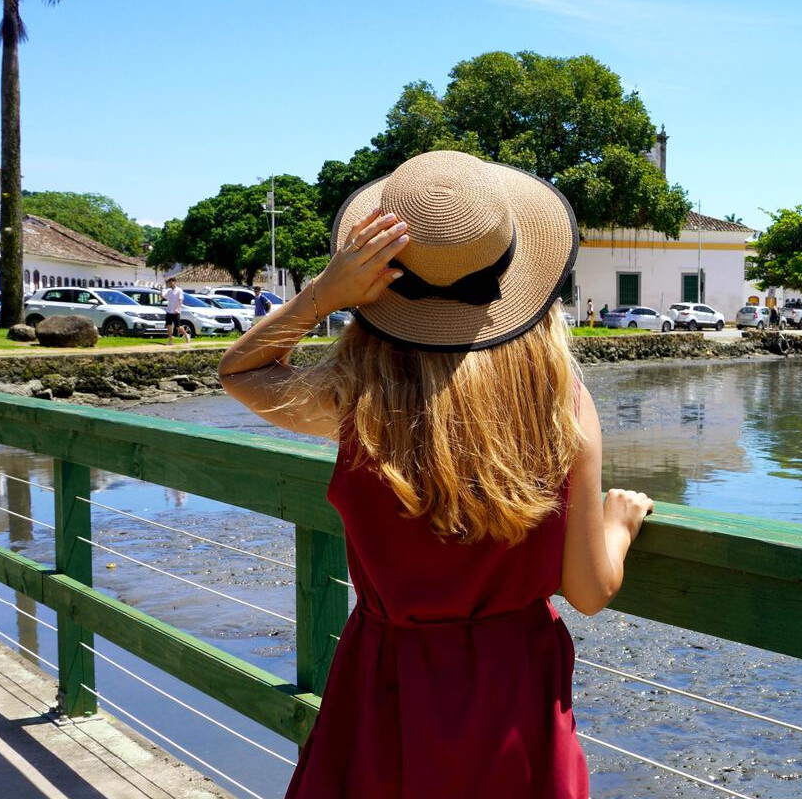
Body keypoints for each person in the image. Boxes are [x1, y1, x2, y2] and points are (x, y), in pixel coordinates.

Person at [216, 151, 652, 798]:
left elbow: (243, 372)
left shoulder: (359, 399)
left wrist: (323, 295)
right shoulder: (561, 405)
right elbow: (588, 591)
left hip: (384, 686)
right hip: (514, 700)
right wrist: (617, 527)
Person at [163, 277, 188, 345]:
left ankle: (186, 335)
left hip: (176, 311)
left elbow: (180, 300)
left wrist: (177, 308)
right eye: (170, 282)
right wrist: (161, 290)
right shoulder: (169, 291)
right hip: (169, 311)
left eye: (172, 281)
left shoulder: (179, 290)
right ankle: (170, 340)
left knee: (178, 327)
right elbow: (163, 297)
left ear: (175, 282)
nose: (171, 283)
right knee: (168, 325)